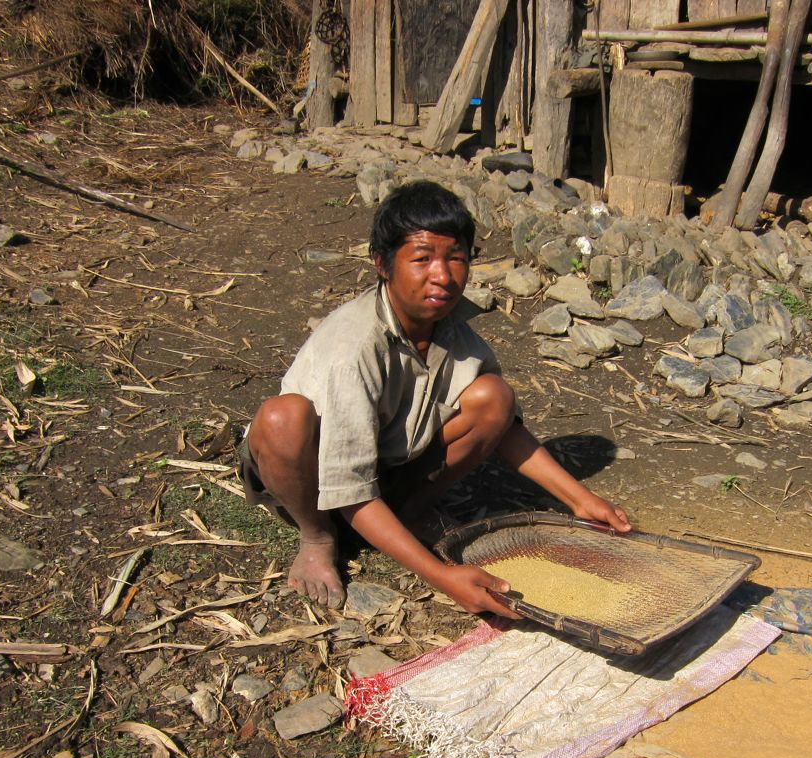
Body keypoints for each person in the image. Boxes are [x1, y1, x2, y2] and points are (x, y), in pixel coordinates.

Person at [242, 180, 630, 615]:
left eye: (456, 259)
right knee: (283, 419)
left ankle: (407, 510)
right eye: (422, 259)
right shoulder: (353, 348)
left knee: (493, 396)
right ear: (382, 265)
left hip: (385, 468)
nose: (443, 275)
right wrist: (442, 577)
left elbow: (506, 429)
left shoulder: (450, 331)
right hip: (314, 477)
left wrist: (580, 499)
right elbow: (349, 487)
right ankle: (317, 537)